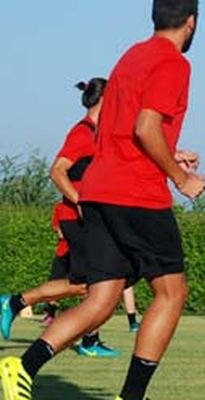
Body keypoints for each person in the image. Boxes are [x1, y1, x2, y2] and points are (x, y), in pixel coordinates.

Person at [0, 1, 205, 399]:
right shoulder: (174, 62)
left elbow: (121, 131)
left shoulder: (131, 56)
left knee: (101, 299)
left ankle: (21, 368)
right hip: (136, 194)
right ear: (192, 22)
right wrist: (181, 177)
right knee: (172, 292)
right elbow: (146, 127)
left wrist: (170, 152)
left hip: (98, 191)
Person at [0, 78, 120, 358]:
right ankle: (86, 340)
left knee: (89, 284)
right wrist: (80, 201)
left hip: (89, 220)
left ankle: (16, 303)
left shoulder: (101, 135)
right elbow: (56, 171)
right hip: (75, 218)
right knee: (98, 282)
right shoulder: (82, 133)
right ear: (105, 99)